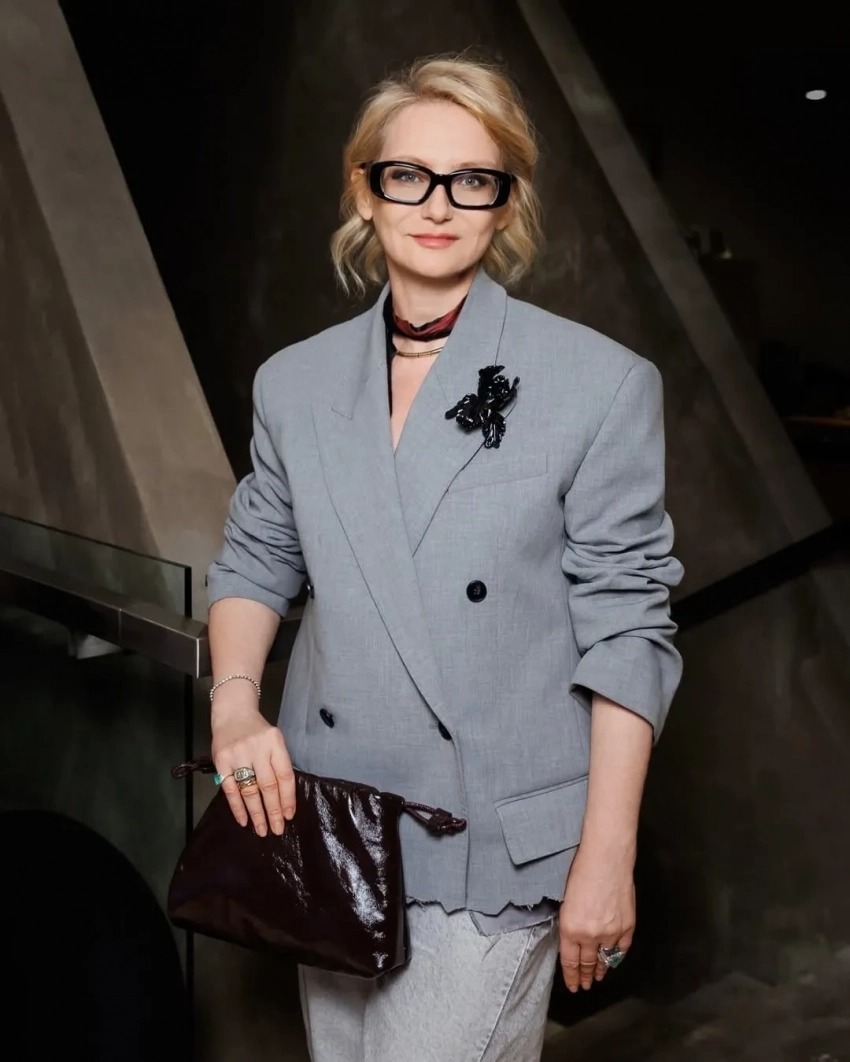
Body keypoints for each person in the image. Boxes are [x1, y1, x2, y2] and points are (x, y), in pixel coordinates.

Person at [206, 55, 684, 1062]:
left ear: (504, 203)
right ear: (364, 189)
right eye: (408, 175)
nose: (436, 205)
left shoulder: (598, 383)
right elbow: (255, 560)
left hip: (495, 842)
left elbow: (629, 630)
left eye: (472, 180)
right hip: (332, 819)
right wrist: (236, 704)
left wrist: (607, 854)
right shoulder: (294, 384)